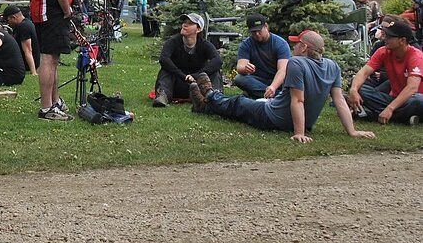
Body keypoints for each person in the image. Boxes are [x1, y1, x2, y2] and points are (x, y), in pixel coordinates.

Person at [190, 30, 376, 143]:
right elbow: (340, 101)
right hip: (302, 121)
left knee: (239, 103)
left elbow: (298, 99)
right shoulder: (332, 66)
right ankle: (204, 105)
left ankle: (211, 95)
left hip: (273, 117)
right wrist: (352, 131)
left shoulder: (296, 63)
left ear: (303, 48)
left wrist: (299, 133)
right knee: (247, 102)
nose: (292, 46)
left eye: (295, 44)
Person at [347, 20, 423, 125]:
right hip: (393, 99)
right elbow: (363, 73)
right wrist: (353, 90)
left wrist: (390, 108)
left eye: (390, 37)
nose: (385, 38)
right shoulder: (383, 51)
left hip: (412, 98)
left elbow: (412, 88)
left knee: (418, 100)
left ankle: (371, 116)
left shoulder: (416, 56)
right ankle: (404, 117)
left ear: (402, 40)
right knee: (361, 89)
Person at [153, 13, 223, 107]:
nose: (185, 25)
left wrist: (197, 76)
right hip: (177, 84)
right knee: (165, 70)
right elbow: (163, 59)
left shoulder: (204, 44)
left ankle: (215, 96)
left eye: (190, 23)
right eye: (184, 22)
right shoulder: (173, 42)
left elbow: (218, 60)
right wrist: (183, 76)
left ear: (198, 29)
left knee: (216, 71)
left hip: (198, 85)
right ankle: (162, 96)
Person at [232, 14, 291, 99]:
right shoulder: (246, 44)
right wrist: (245, 68)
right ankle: (277, 97)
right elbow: (240, 66)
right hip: (259, 80)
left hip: (278, 81)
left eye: (259, 30)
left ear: (266, 26)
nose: (257, 34)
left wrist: (273, 87)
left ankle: (257, 94)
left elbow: (282, 70)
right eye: (253, 32)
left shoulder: (280, 44)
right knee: (239, 79)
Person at [3, 4, 39, 77]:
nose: (8, 23)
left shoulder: (24, 27)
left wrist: (33, 71)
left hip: (24, 64)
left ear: (14, 17)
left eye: (8, 20)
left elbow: (28, 50)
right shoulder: (24, 24)